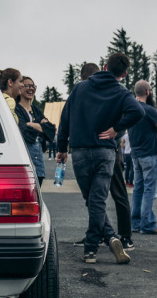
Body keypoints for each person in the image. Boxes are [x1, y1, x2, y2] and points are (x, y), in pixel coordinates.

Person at [56, 54, 146, 264]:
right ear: (123, 74)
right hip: (106, 152)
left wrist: (61, 147)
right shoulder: (122, 92)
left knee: (92, 200)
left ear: (105, 66)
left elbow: (65, 118)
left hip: (80, 151)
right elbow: (138, 112)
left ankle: (94, 245)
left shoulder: (80, 88)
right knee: (97, 200)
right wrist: (116, 129)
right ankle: (107, 239)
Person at [129, 81, 157, 235]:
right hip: (149, 154)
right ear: (147, 91)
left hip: (135, 154)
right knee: (150, 189)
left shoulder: (130, 109)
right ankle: (148, 224)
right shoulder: (150, 110)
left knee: (138, 188)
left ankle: (136, 223)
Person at [16, 77, 48, 186]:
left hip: (38, 153)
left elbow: (51, 129)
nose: (31, 88)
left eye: (33, 86)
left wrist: (32, 125)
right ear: (20, 88)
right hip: (25, 151)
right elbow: (23, 130)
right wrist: (41, 126)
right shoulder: (16, 109)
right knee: (25, 185)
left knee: (38, 184)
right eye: (27, 86)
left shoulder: (36, 109)